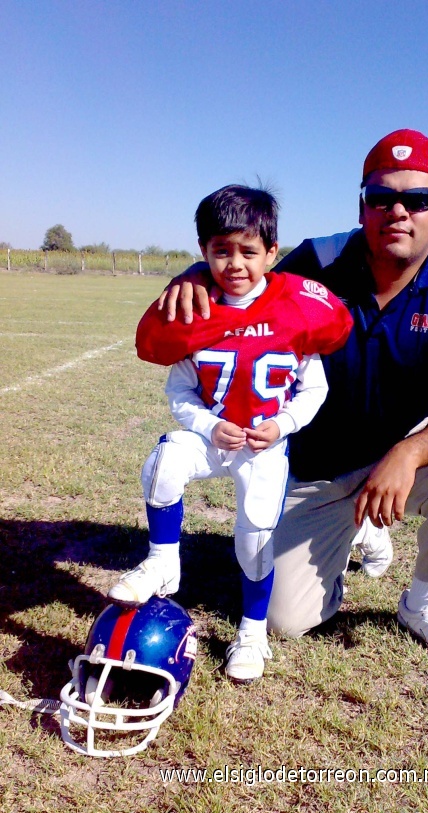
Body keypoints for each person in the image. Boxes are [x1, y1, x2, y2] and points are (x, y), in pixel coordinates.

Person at [150, 129, 428, 672]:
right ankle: (349, 530)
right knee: (285, 621)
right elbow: (246, 273)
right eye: (382, 197)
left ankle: (424, 601)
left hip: (394, 457)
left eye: (418, 199)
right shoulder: (317, 260)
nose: (399, 212)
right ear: (362, 203)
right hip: (310, 467)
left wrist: (406, 455)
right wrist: (196, 271)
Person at [108, 184, 353, 682]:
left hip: (263, 445)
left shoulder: (297, 309)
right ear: (204, 252)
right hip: (215, 437)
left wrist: (280, 424)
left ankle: (253, 630)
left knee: (255, 539)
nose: (235, 263)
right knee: (164, 460)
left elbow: (314, 390)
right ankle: (162, 562)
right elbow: (179, 392)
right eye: (222, 250)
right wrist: (209, 424)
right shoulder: (194, 309)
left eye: (248, 250)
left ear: (271, 253)